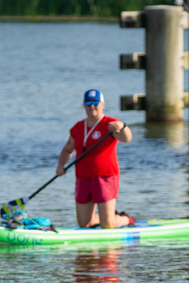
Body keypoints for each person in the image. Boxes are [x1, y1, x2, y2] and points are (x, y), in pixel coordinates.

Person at [56, 89, 134, 229]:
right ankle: (108, 216)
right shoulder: (78, 127)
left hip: (105, 177)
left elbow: (126, 138)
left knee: (108, 225)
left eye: (95, 102)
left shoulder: (110, 124)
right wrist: (60, 166)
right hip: (83, 178)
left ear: (102, 104)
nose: (92, 106)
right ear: (84, 105)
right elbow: (68, 149)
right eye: (88, 102)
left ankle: (124, 219)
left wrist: (123, 126)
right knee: (84, 224)